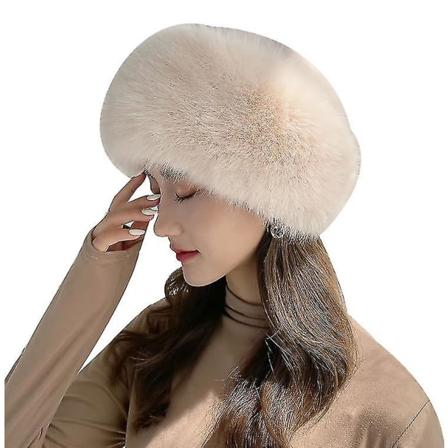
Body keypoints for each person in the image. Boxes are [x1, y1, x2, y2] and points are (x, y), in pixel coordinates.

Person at [5, 23, 444, 447]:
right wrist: (99, 271)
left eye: (185, 190)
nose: (161, 224)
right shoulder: (159, 339)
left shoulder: (388, 412)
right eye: (157, 190)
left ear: (267, 192)